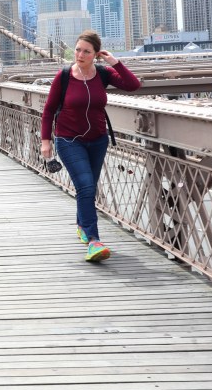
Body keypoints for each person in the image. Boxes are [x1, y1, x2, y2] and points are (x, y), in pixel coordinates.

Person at [40, 30, 141, 263]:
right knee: (85, 186)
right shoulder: (64, 75)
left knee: (89, 187)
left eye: (86, 51)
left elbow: (132, 85)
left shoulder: (104, 74)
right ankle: (94, 241)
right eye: (77, 49)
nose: (80, 54)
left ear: (96, 54)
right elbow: (48, 110)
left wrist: (114, 62)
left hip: (98, 140)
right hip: (68, 139)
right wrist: (46, 141)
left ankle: (81, 225)